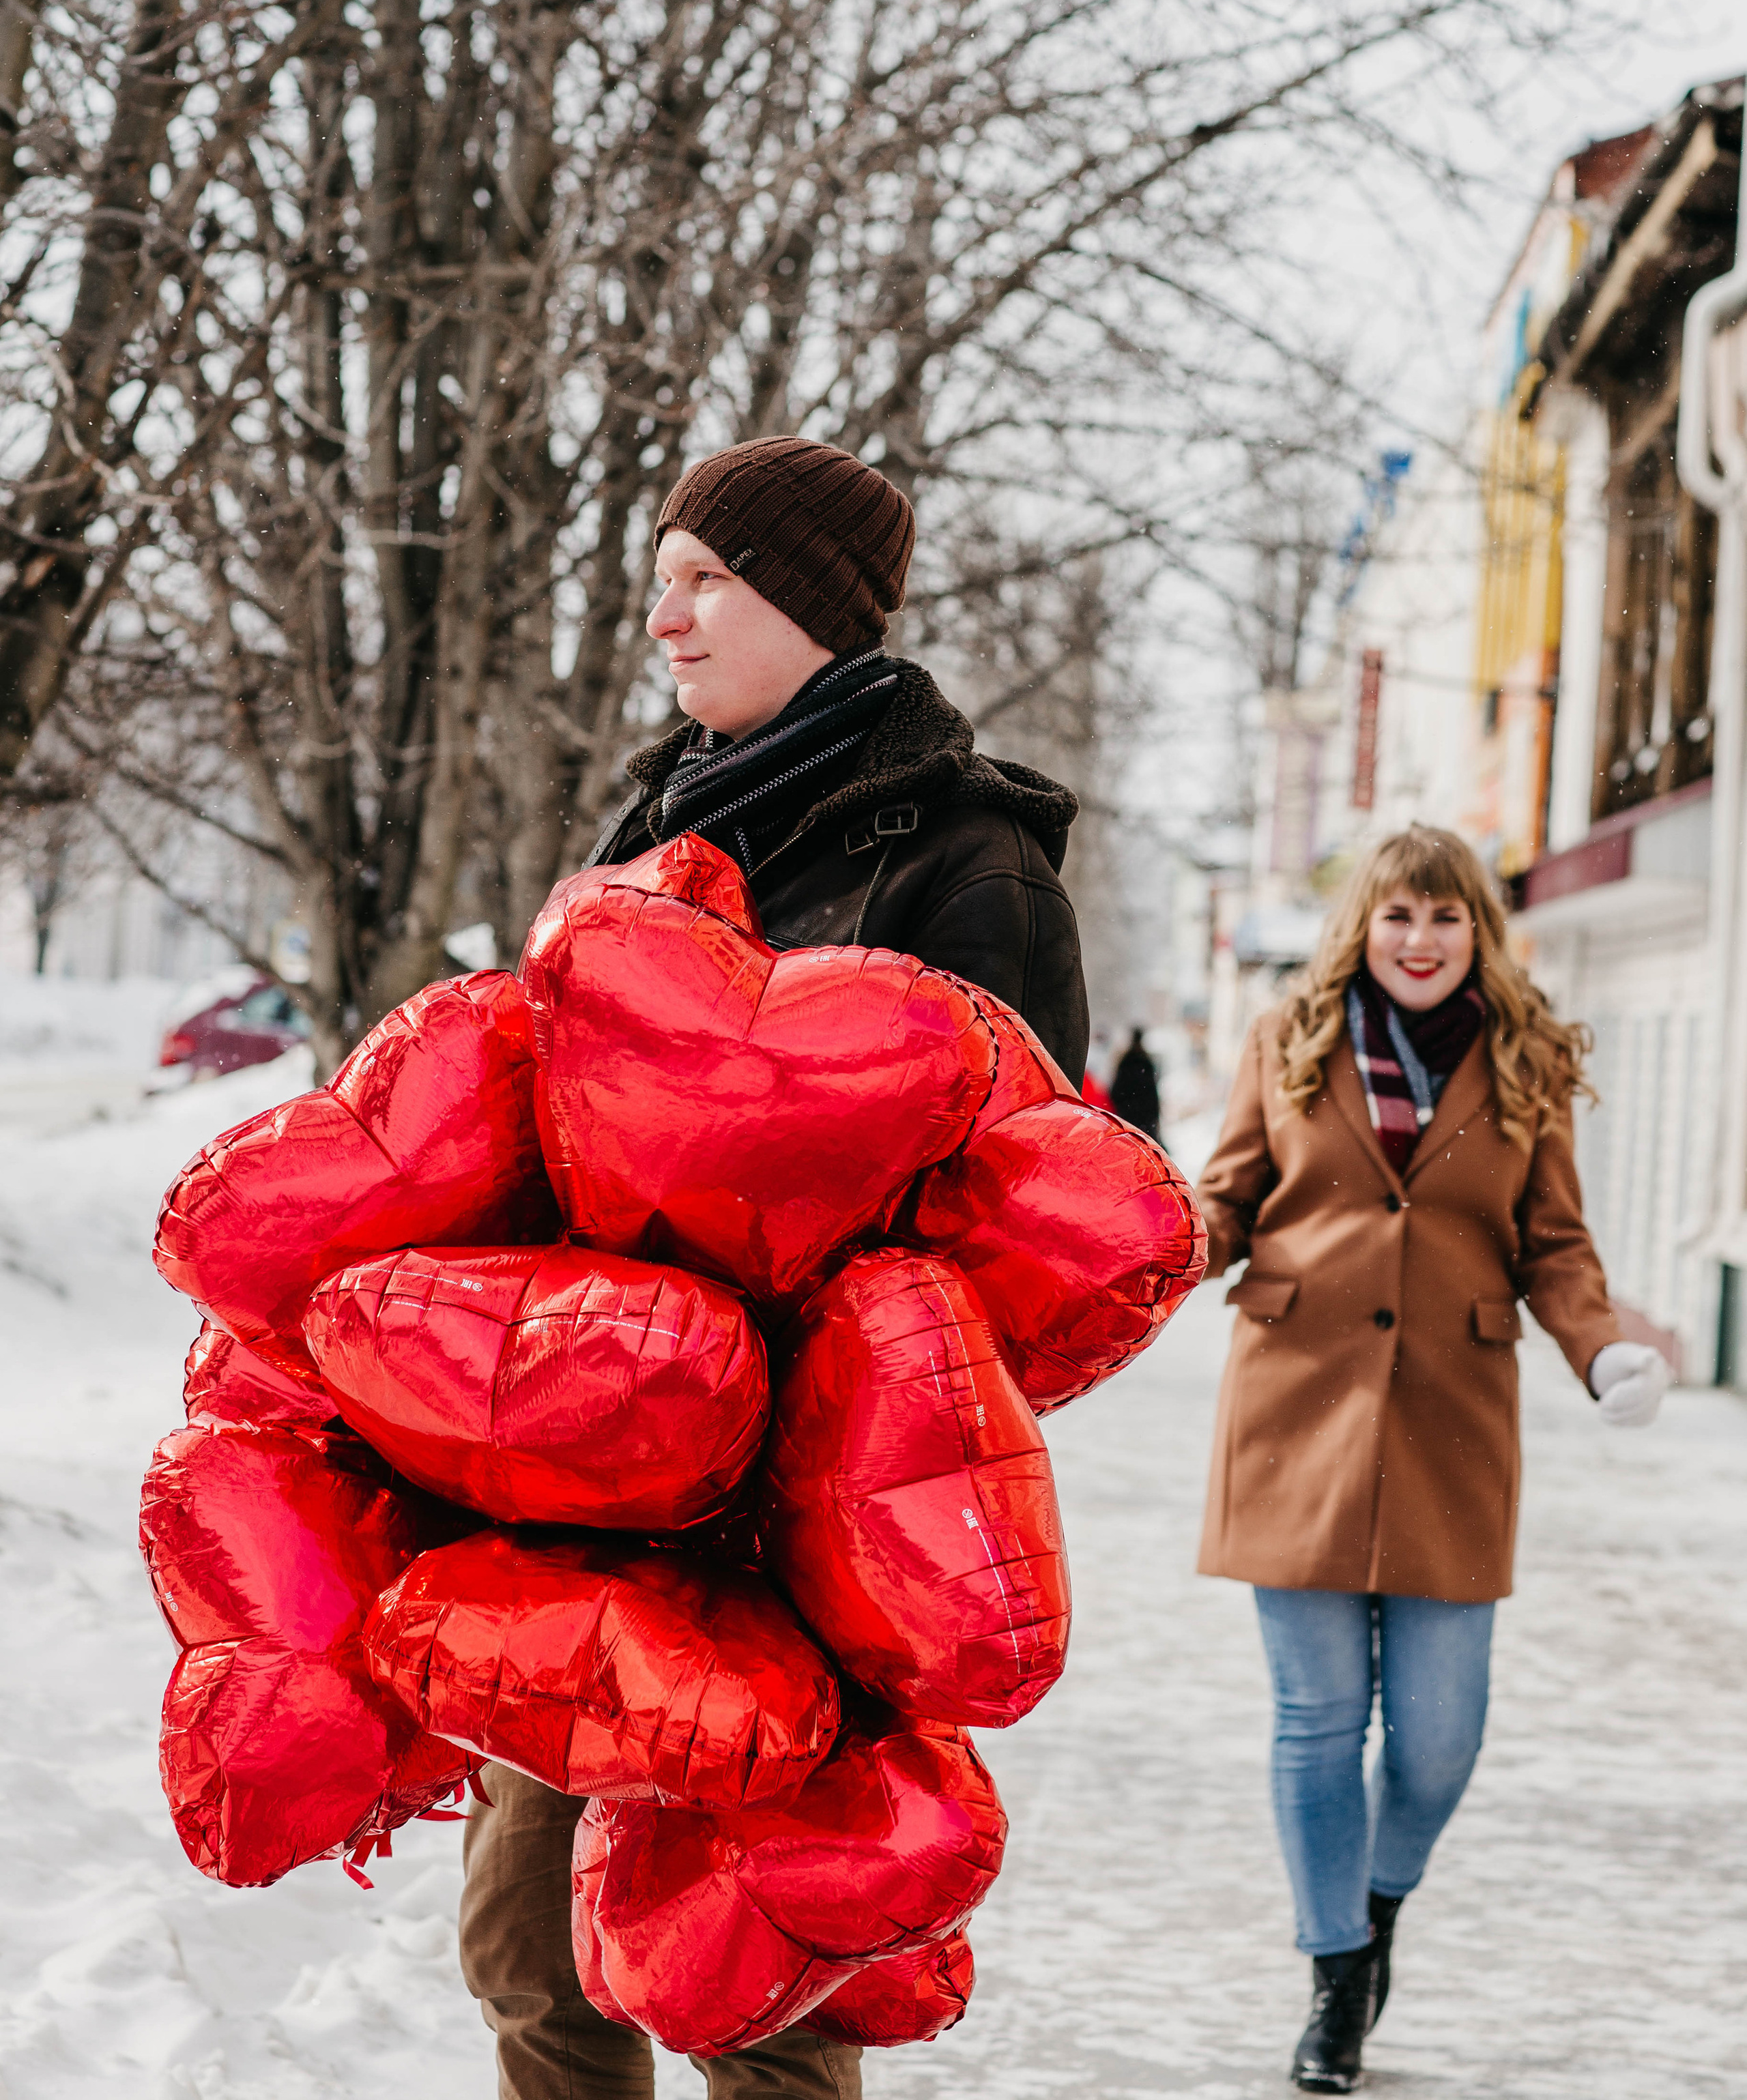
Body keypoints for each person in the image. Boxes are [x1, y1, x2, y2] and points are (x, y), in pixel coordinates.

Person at [460, 434, 1091, 2100]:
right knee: (529, 1949)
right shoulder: (644, 821)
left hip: (805, 1498)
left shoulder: (968, 861)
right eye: (659, 580)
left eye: (701, 581)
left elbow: (1031, 1211)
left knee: (758, 1981)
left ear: (811, 603)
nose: (660, 619)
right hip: (589, 1463)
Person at [1194, 823, 1668, 2095]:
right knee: (1317, 1721)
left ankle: (1378, 1902)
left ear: (1479, 933)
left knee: (1438, 1743)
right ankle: (1336, 1980)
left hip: (1456, 1419)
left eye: (1447, 921)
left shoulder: (1526, 1059)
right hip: (1296, 1410)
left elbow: (1555, 1246)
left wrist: (1601, 1349)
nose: (1421, 942)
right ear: (1367, 923)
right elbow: (1228, 1199)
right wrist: (1162, 1244)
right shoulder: (1290, 1036)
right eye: (1400, 917)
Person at [1110, 1025, 1161, 1137]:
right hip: (1144, 1118)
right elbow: (1152, 1092)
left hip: (1127, 1115)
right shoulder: (1146, 1062)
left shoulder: (1126, 1062)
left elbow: (1116, 1090)